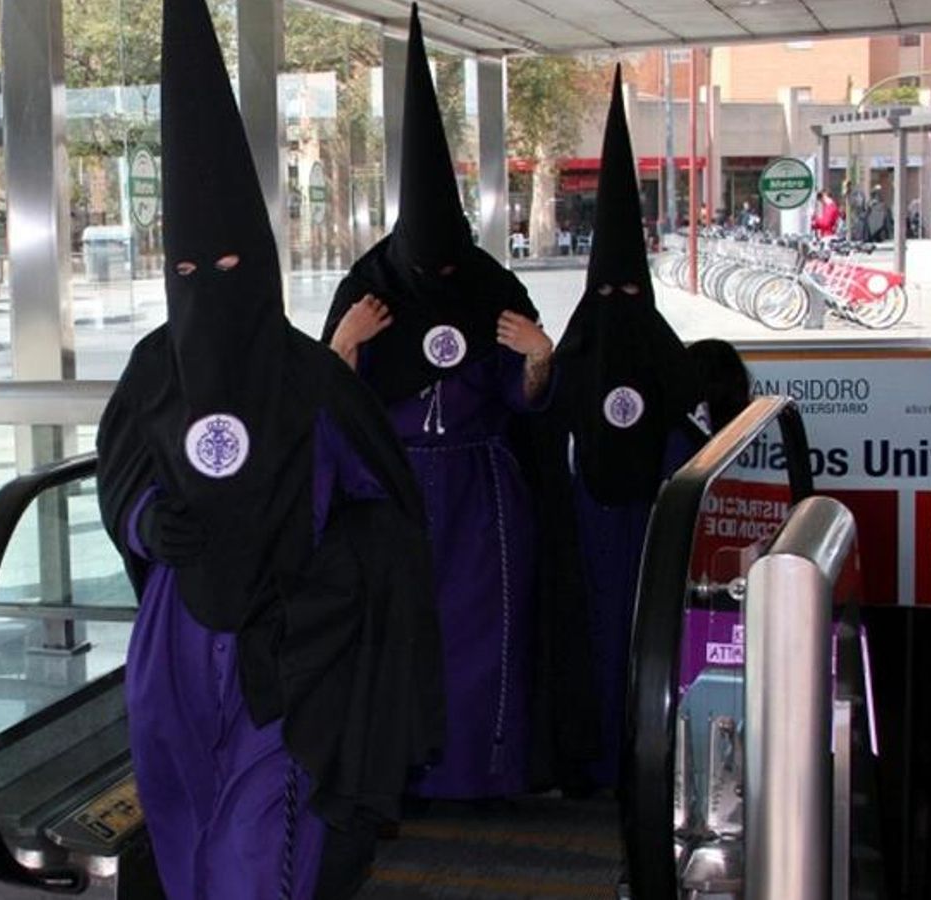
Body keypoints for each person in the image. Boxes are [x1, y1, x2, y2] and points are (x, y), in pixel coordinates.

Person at [95, 0, 444, 897]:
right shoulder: (152, 369)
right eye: (185, 275)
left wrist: (328, 586)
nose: (206, 290)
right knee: (180, 832)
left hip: (283, 664)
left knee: (260, 849)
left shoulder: (313, 381)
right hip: (173, 647)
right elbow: (121, 471)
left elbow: (388, 511)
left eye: (227, 271)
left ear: (262, 263)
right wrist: (144, 522)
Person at [323, 4, 552, 805]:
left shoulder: (490, 288)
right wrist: (344, 348)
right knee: (394, 639)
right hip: (395, 498)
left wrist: (538, 361)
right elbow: (331, 412)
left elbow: (526, 408)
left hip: (482, 500)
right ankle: (398, 778)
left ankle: (485, 774)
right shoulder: (367, 293)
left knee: (483, 638)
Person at [541, 67, 712, 794]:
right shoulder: (572, 360)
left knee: (651, 646)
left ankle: (649, 766)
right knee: (591, 645)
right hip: (584, 534)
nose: (616, 308)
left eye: (629, 295)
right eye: (605, 294)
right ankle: (588, 760)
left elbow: (697, 436)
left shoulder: (667, 366)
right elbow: (541, 433)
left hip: (651, 533)